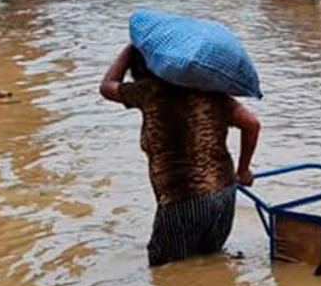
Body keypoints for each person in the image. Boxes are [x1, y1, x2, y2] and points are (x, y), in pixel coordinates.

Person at [100, 45, 262, 267]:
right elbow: (251, 124)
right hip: (223, 195)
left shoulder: (148, 92)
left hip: (182, 200)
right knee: (210, 265)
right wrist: (243, 171)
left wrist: (129, 50)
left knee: (166, 273)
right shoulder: (210, 91)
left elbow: (107, 87)